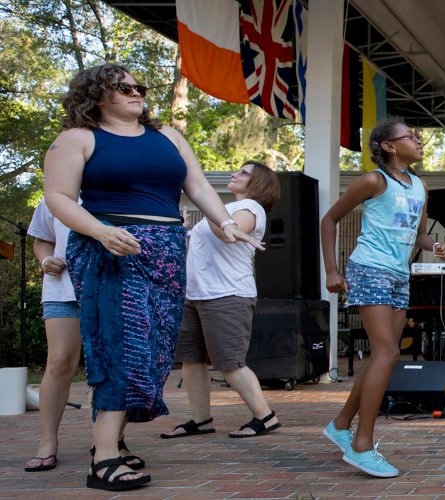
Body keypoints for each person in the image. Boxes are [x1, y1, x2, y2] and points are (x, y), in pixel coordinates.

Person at [42, 63, 261, 491]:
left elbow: (197, 186)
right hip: (112, 247)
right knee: (121, 346)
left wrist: (227, 224)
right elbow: (57, 197)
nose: (135, 92)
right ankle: (103, 459)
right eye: (122, 88)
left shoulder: (168, 137)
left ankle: (111, 441)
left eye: (137, 86)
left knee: (156, 351)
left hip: (166, 250)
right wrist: (100, 231)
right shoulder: (78, 139)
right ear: (97, 95)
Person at [319, 117, 445, 477]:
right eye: (410, 136)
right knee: (388, 352)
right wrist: (332, 270)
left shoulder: (420, 186)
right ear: (389, 147)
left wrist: (434, 245)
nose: (418, 140)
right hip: (369, 268)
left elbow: (417, 234)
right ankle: (361, 445)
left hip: (398, 274)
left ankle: (341, 425)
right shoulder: (374, 181)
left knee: (385, 356)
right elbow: (329, 220)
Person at [161, 161, 282, 440]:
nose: (234, 174)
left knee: (230, 363)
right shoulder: (223, 210)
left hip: (227, 295)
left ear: (258, 183)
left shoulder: (251, 209)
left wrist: (207, 206)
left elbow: (229, 234)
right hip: (195, 295)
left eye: (243, 173)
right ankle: (201, 420)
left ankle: (266, 417)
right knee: (191, 360)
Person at [23, 201, 80, 473]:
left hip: (111, 287)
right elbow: (42, 240)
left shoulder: (117, 182)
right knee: (59, 363)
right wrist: (46, 260)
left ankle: (112, 440)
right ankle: (47, 442)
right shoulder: (54, 197)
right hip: (63, 289)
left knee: (111, 363)